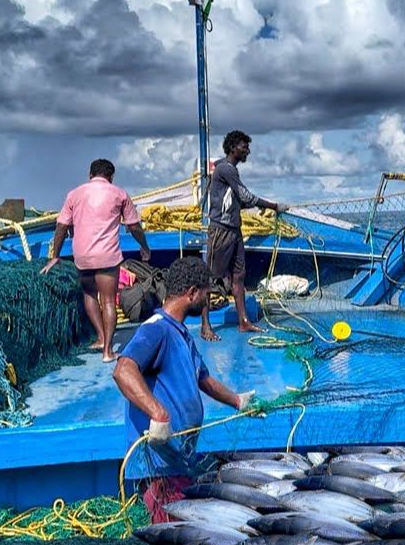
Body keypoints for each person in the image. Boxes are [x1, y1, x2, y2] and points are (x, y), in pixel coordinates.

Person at [111, 256, 254, 523]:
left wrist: (237, 401)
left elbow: (203, 379)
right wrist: (158, 413)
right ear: (191, 294)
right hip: (159, 466)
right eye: (205, 295)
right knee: (172, 538)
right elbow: (123, 370)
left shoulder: (182, 334)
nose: (207, 302)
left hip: (179, 458)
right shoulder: (157, 330)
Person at [43, 159, 152, 363]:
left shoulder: (74, 194)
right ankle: (108, 352)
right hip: (107, 256)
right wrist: (144, 247)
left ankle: (101, 338)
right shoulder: (119, 194)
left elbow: (61, 227)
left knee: (89, 294)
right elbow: (134, 226)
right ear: (110, 177)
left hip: (82, 256)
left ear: (90, 174)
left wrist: (55, 256)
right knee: (109, 300)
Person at [201, 130, 289, 341]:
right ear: (233, 148)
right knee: (209, 279)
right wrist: (274, 206)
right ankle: (205, 326)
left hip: (235, 230)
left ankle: (244, 321)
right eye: (244, 146)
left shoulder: (229, 169)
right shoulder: (225, 169)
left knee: (239, 276)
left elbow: (235, 198)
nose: (247, 150)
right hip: (221, 230)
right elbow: (245, 195)